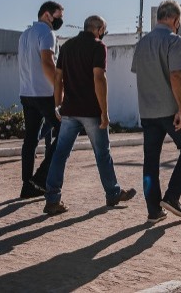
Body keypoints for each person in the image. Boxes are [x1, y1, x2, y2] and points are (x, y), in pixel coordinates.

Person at [43, 15, 136, 215]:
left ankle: (52, 199)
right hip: (91, 111)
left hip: (69, 111)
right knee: (103, 154)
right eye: (104, 30)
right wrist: (104, 112)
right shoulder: (98, 46)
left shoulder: (66, 47)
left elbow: (58, 78)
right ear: (99, 28)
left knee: (60, 154)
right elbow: (99, 78)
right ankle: (112, 193)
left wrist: (58, 105)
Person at [131, 0, 181, 224]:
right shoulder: (173, 40)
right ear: (175, 20)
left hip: (147, 112)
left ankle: (153, 210)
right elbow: (176, 75)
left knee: (151, 160)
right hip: (170, 110)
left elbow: (139, 74)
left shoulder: (141, 44)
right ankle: (172, 197)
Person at [18, 0, 64, 199]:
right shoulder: (47, 33)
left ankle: (27, 184)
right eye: (59, 16)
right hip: (45, 95)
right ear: (47, 15)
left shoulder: (24, 35)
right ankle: (41, 178)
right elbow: (47, 61)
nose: (60, 20)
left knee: (30, 139)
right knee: (64, 133)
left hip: (27, 93)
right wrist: (59, 87)